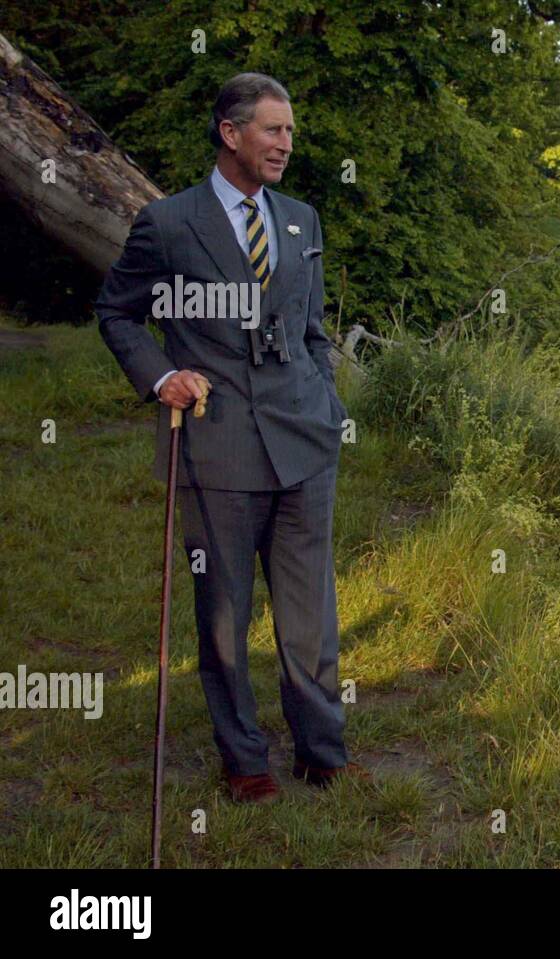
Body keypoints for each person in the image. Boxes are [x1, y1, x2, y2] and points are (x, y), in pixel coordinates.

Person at [97, 72, 365, 803]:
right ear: (231, 133)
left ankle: (321, 748)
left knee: (310, 610)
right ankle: (244, 757)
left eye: (289, 130)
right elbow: (117, 312)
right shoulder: (168, 223)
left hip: (304, 443)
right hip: (215, 447)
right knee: (224, 612)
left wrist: (323, 398)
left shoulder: (302, 219)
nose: (286, 143)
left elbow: (312, 332)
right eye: (273, 129)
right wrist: (161, 378)